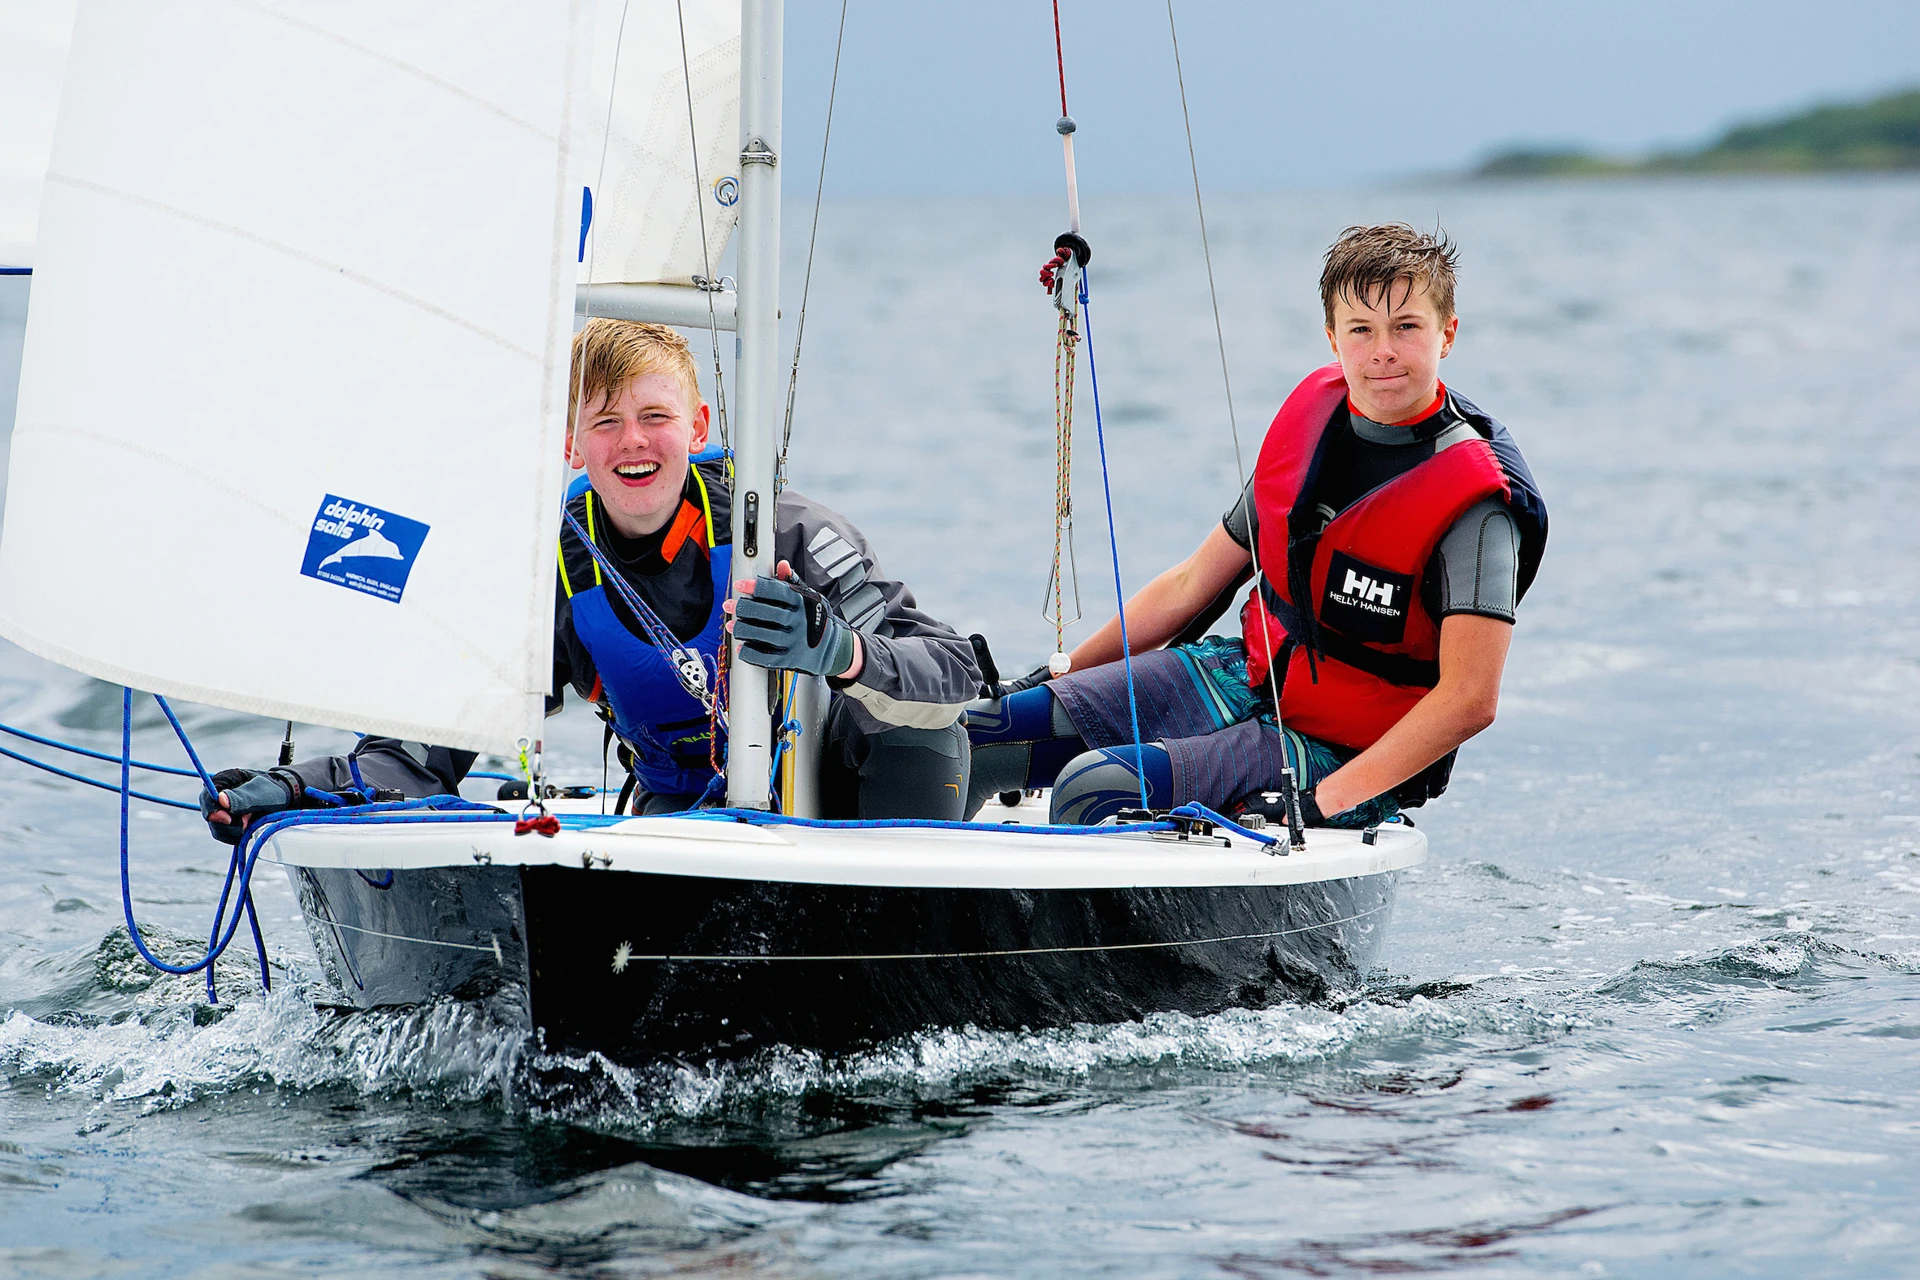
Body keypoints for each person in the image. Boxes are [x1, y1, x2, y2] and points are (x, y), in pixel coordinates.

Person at [202, 320, 981, 840]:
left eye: (655, 417)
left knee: (921, 731)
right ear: (571, 443)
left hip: (853, 810)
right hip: (689, 824)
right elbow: (428, 748)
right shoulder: (553, 577)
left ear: (700, 429)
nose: (632, 442)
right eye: (604, 422)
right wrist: (296, 787)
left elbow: (950, 675)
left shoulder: (786, 535)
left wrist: (841, 651)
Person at [967, 223, 1547, 829]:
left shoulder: (1477, 508)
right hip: (1246, 674)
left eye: (1406, 326)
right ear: (1332, 338)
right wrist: (1057, 673)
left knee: (1096, 787)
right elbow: (1192, 582)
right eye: (1361, 330)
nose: (1383, 351)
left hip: (1347, 751)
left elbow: (1469, 701)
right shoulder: (1310, 424)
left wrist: (1321, 804)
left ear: (1446, 333)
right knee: (985, 729)